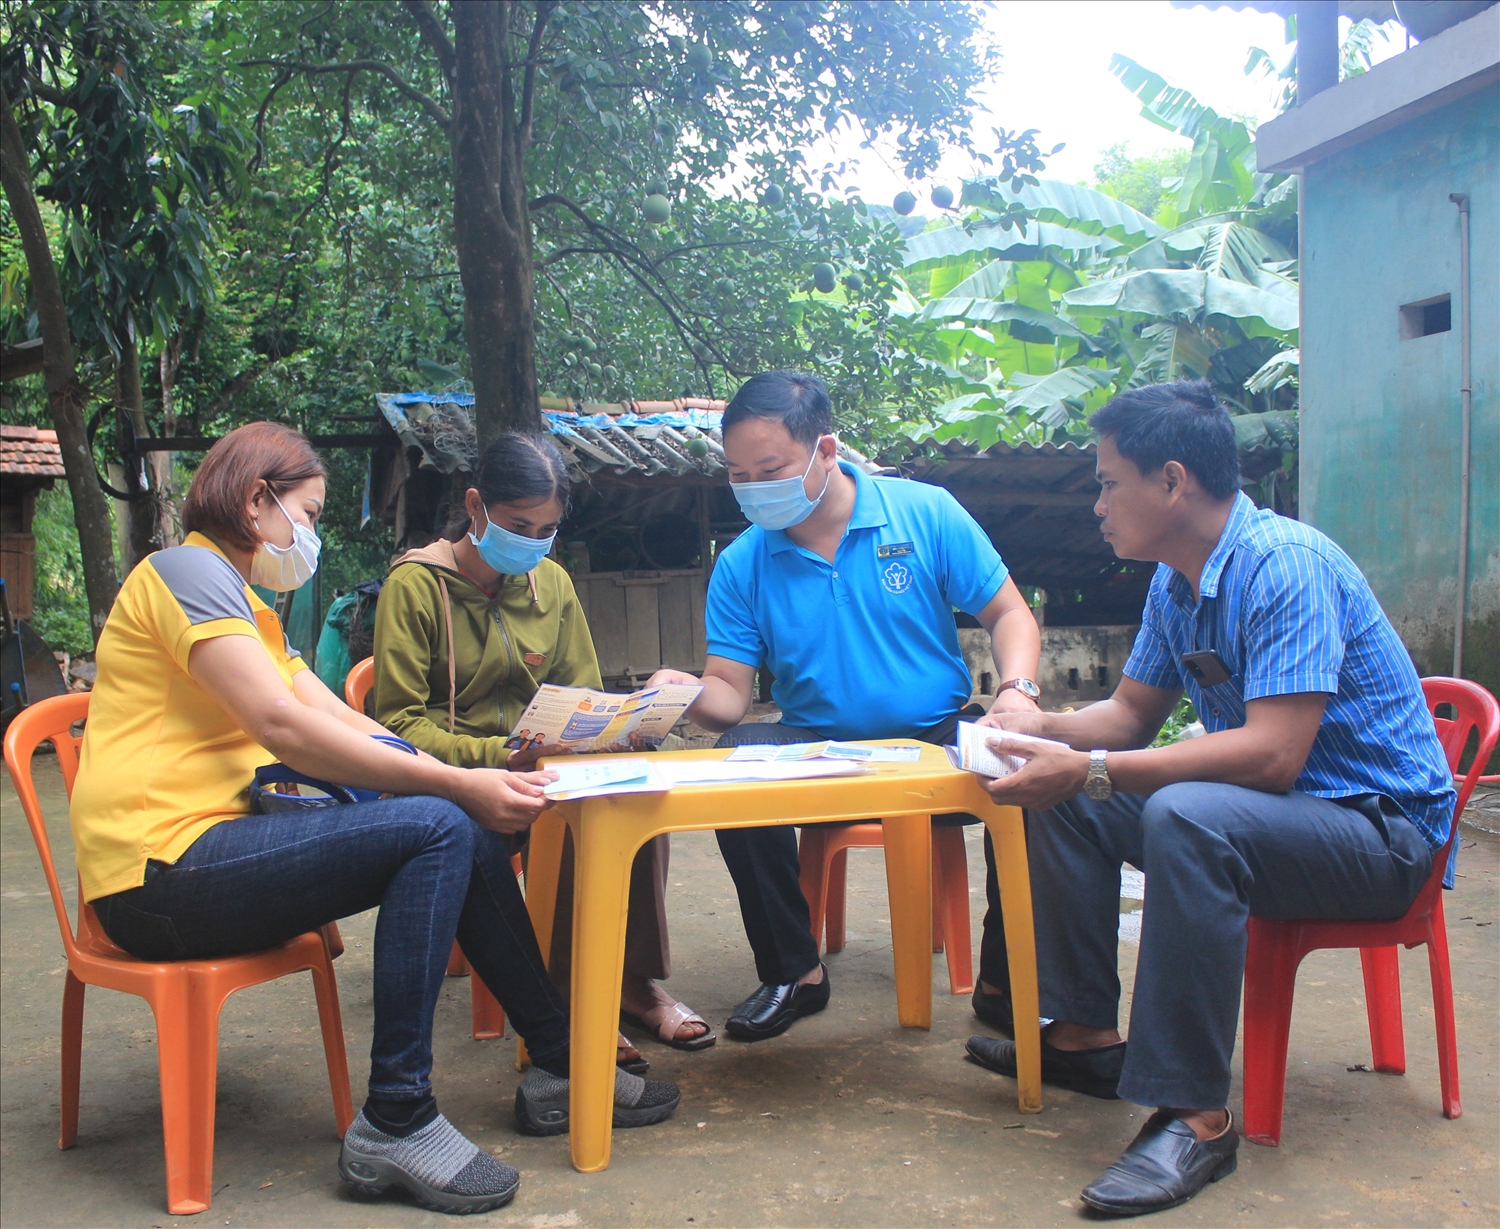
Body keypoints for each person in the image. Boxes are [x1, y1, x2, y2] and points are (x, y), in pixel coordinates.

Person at [70, 423, 680, 1218]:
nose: (312, 535)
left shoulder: (249, 605)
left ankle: (559, 1061)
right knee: (437, 821)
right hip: (158, 874)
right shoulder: (186, 572)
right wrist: (455, 787)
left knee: (443, 816)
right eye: (310, 512)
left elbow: (346, 720)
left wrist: (456, 777)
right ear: (257, 500)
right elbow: (286, 730)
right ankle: (397, 1115)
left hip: (218, 853)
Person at [965, 380, 1455, 1217]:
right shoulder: (1177, 581)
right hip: (1282, 817)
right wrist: (1036, 727)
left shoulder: (1285, 567)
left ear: (1172, 481)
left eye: (1108, 481)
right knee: (1053, 792)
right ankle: (1085, 1036)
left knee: (1187, 810)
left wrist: (1090, 767)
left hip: (1379, 834)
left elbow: (1271, 755)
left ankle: (1197, 1113)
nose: (1096, 505)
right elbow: (1129, 715)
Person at [648, 371, 1043, 1041]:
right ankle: (793, 971)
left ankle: (1006, 980)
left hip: (937, 737)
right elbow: (728, 696)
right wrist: (679, 692)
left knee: (1037, 770)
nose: (752, 487)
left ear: (826, 450)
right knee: (733, 760)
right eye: (738, 474)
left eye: (769, 468)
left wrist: (1016, 691)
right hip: (817, 749)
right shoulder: (743, 562)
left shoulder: (924, 512)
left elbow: (1010, 613)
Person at [373, 431, 714, 1058]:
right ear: (475, 507)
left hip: (546, 763)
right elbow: (396, 725)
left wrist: (617, 729)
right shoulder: (416, 587)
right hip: (461, 780)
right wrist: (496, 756)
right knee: (553, 815)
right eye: (517, 524)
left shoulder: (551, 584)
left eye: (546, 528)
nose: (531, 542)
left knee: (633, 792)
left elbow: (581, 692)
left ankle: (630, 985)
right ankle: (565, 1001)